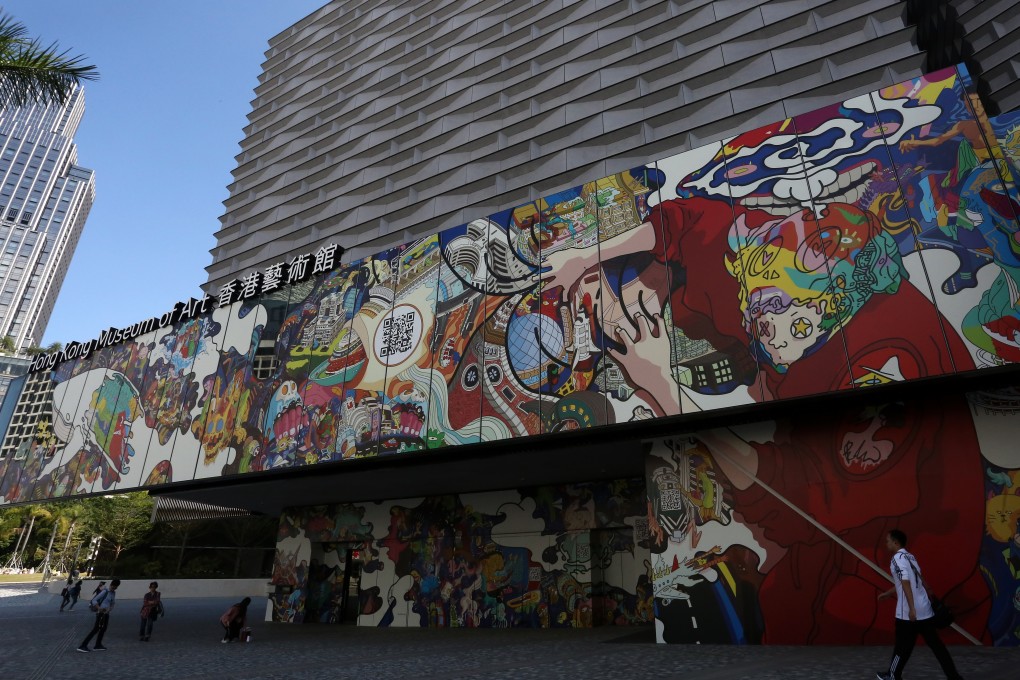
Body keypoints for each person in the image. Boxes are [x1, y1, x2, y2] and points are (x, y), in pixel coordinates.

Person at [876, 530, 963, 680]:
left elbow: (906, 583)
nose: (886, 544)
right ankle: (954, 677)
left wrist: (911, 609)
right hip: (925, 610)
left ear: (896, 542)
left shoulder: (896, 559)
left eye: (888, 541)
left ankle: (892, 675)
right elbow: (912, 580)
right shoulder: (910, 557)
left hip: (908, 613)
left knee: (901, 647)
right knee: (937, 647)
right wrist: (889, 593)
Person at [78, 578, 120, 652]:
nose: (114, 588)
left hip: (106, 613)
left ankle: (98, 645)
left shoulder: (113, 593)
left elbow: (112, 603)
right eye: (113, 586)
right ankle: (83, 645)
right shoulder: (105, 591)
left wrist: (110, 609)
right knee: (96, 629)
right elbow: (94, 600)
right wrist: (99, 608)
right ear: (111, 585)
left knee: (103, 629)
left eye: (115, 587)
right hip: (100, 613)